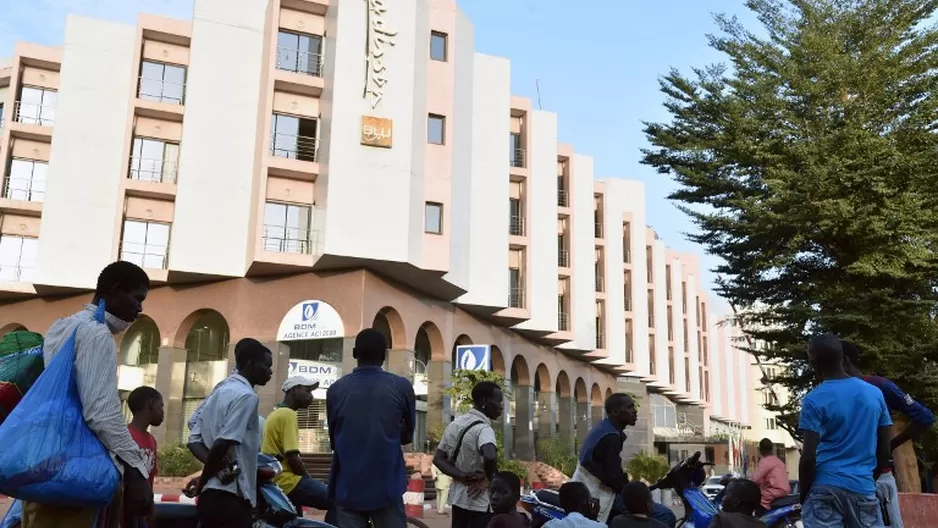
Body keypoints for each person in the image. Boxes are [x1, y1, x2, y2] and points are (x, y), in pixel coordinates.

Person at [22, 261, 153, 528]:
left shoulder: (62, 326)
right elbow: (101, 413)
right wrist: (137, 468)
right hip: (74, 474)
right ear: (115, 290)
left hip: (43, 463)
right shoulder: (96, 333)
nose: (139, 309)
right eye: (137, 298)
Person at [326, 329, 417, 528]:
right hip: (387, 486)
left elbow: (334, 439)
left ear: (354, 353)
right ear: (384, 355)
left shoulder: (336, 390)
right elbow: (408, 436)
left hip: (348, 486)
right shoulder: (401, 387)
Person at [799, 334, 891, 528]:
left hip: (825, 488)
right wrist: (865, 480)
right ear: (843, 358)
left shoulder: (813, 400)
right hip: (863, 487)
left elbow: (808, 458)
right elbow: (884, 450)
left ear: (814, 363)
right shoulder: (874, 394)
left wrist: (804, 496)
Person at [844, 340, 935, 528]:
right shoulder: (877, 386)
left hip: (871, 481)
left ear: (844, 361)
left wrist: (890, 445)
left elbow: (925, 417)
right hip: (858, 481)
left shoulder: (878, 386)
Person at [189, 338, 273, 528]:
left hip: (210, 496)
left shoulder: (220, 390)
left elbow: (193, 438)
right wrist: (202, 480)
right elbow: (222, 442)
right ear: (251, 363)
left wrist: (214, 469)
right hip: (232, 497)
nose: (270, 371)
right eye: (266, 365)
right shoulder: (247, 396)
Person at [571, 393, 674, 526]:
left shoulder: (605, 428)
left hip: (590, 489)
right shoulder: (610, 436)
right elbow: (614, 478)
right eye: (630, 407)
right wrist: (632, 491)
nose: (635, 411)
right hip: (600, 493)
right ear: (615, 412)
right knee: (665, 514)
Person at [261, 375, 333, 520]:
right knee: (336, 500)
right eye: (307, 391)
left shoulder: (276, 414)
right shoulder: (288, 415)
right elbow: (292, 456)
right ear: (294, 391)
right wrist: (309, 480)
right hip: (287, 481)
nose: (311, 396)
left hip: (276, 481)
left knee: (296, 521)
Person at [433, 381, 503, 528]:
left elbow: (438, 459)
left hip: (458, 499)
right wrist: (488, 480)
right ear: (485, 401)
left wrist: (461, 475)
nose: (501, 406)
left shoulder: (455, 425)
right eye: (499, 401)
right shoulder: (484, 429)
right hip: (479, 502)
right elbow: (490, 456)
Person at [125, 386, 165, 528]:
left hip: (142, 511)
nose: (163, 412)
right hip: (125, 511)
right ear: (150, 404)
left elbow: (150, 477)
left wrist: (151, 505)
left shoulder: (152, 441)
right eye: (161, 406)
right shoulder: (124, 437)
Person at [750, 438, 790, 515]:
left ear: (761, 450)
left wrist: (746, 482)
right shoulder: (777, 460)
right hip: (784, 490)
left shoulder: (765, 461)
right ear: (772, 449)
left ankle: (760, 519)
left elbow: (755, 479)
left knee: (757, 498)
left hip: (775, 490)